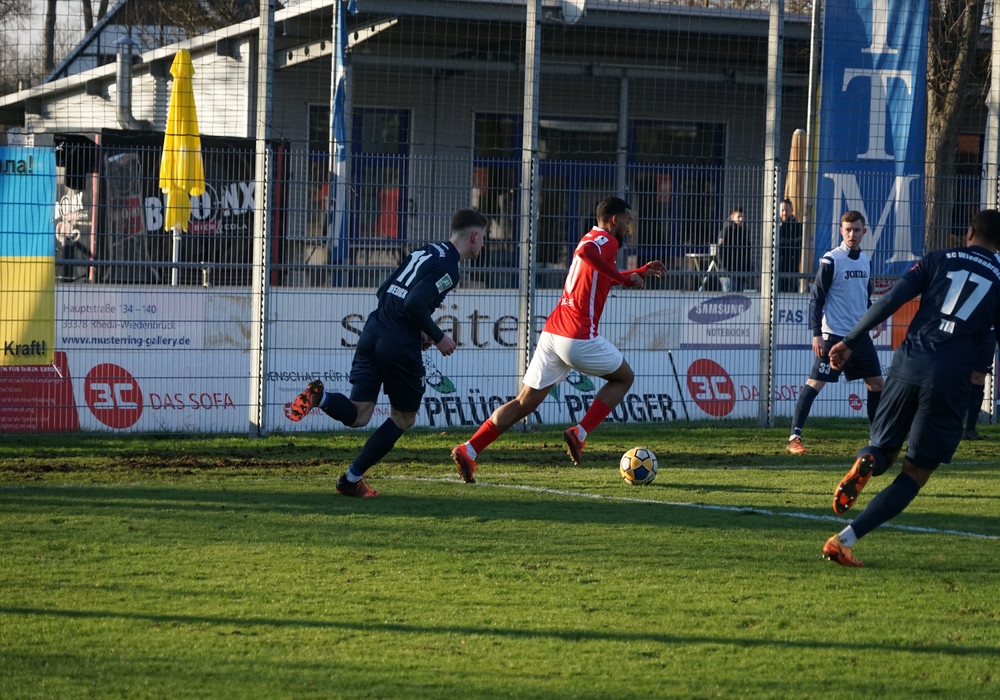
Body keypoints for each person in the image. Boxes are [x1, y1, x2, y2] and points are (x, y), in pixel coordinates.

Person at [821, 209, 1000, 567]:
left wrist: (850, 341)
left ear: (969, 232)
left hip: (908, 363)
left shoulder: (937, 258)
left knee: (883, 450)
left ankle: (868, 460)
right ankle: (843, 541)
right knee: (914, 474)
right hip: (949, 376)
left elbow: (891, 300)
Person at [451, 196, 666, 482]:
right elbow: (586, 253)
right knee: (624, 378)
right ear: (615, 220)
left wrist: (633, 273)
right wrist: (625, 278)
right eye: (627, 220)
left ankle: (469, 449)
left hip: (554, 333)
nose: (629, 227)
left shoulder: (594, 238)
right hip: (577, 336)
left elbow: (597, 271)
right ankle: (580, 432)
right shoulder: (605, 241)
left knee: (524, 403)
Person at [288, 209, 488, 497]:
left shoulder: (426, 251)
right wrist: (438, 336)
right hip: (397, 344)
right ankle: (350, 479)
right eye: (484, 238)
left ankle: (321, 398)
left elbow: (386, 290)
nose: (483, 244)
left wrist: (417, 329)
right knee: (403, 418)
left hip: (373, 330)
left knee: (358, 415)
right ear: (474, 236)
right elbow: (413, 304)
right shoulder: (450, 268)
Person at [786, 210, 884, 455]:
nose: (852, 234)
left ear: (864, 231)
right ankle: (794, 437)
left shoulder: (866, 261)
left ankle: (877, 439)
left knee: (876, 384)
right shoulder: (831, 260)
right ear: (841, 231)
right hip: (834, 337)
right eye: (848, 230)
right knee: (815, 384)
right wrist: (816, 334)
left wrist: (874, 320)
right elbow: (816, 299)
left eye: (856, 230)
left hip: (859, 336)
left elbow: (865, 298)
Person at [715, 206, 755, 292]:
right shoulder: (726, 231)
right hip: (729, 273)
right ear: (732, 217)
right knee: (730, 297)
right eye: (738, 217)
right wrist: (726, 267)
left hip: (741, 273)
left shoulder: (744, 232)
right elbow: (720, 251)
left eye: (742, 217)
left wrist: (748, 268)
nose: (741, 219)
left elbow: (747, 251)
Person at [777, 198, 803, 293]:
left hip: (792, 267)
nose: (784, 213)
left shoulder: (797, 226)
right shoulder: (776, 226)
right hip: (777, 267)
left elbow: (799, 244)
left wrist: (783, 243)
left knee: (791, 295)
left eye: (786, 210)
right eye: (782, 210)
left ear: (791, 210)